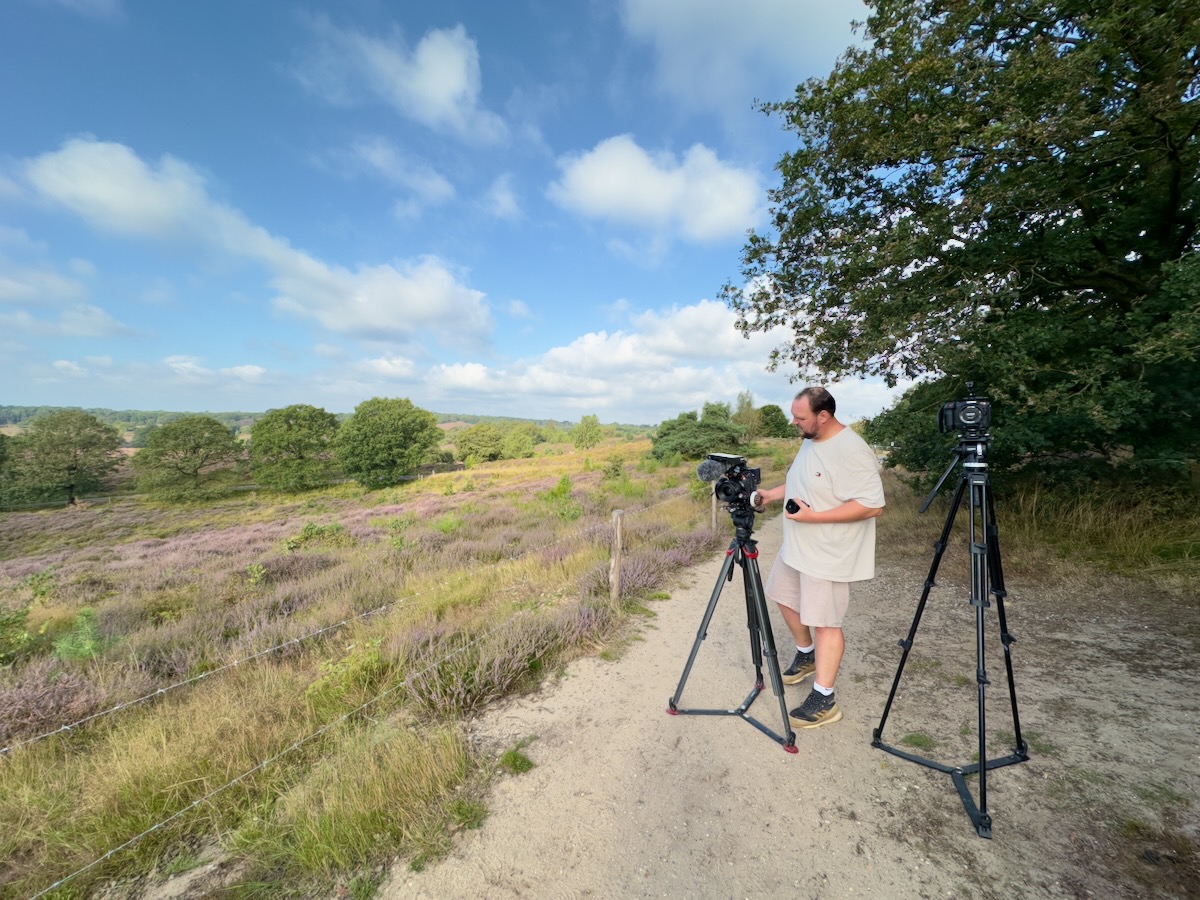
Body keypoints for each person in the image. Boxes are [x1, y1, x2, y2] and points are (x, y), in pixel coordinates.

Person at [751, 386, 885, 729]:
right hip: (797, 547)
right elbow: (802, 483)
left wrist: (814, 518)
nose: (794, 423)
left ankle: (825, 698)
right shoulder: (812, 439)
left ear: (823, 416)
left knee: (826, 623)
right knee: (781, 595)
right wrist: (772, 494)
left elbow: (872, 505)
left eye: (800, 417)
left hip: (828, 552)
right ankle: (806, 654)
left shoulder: (852, 450)